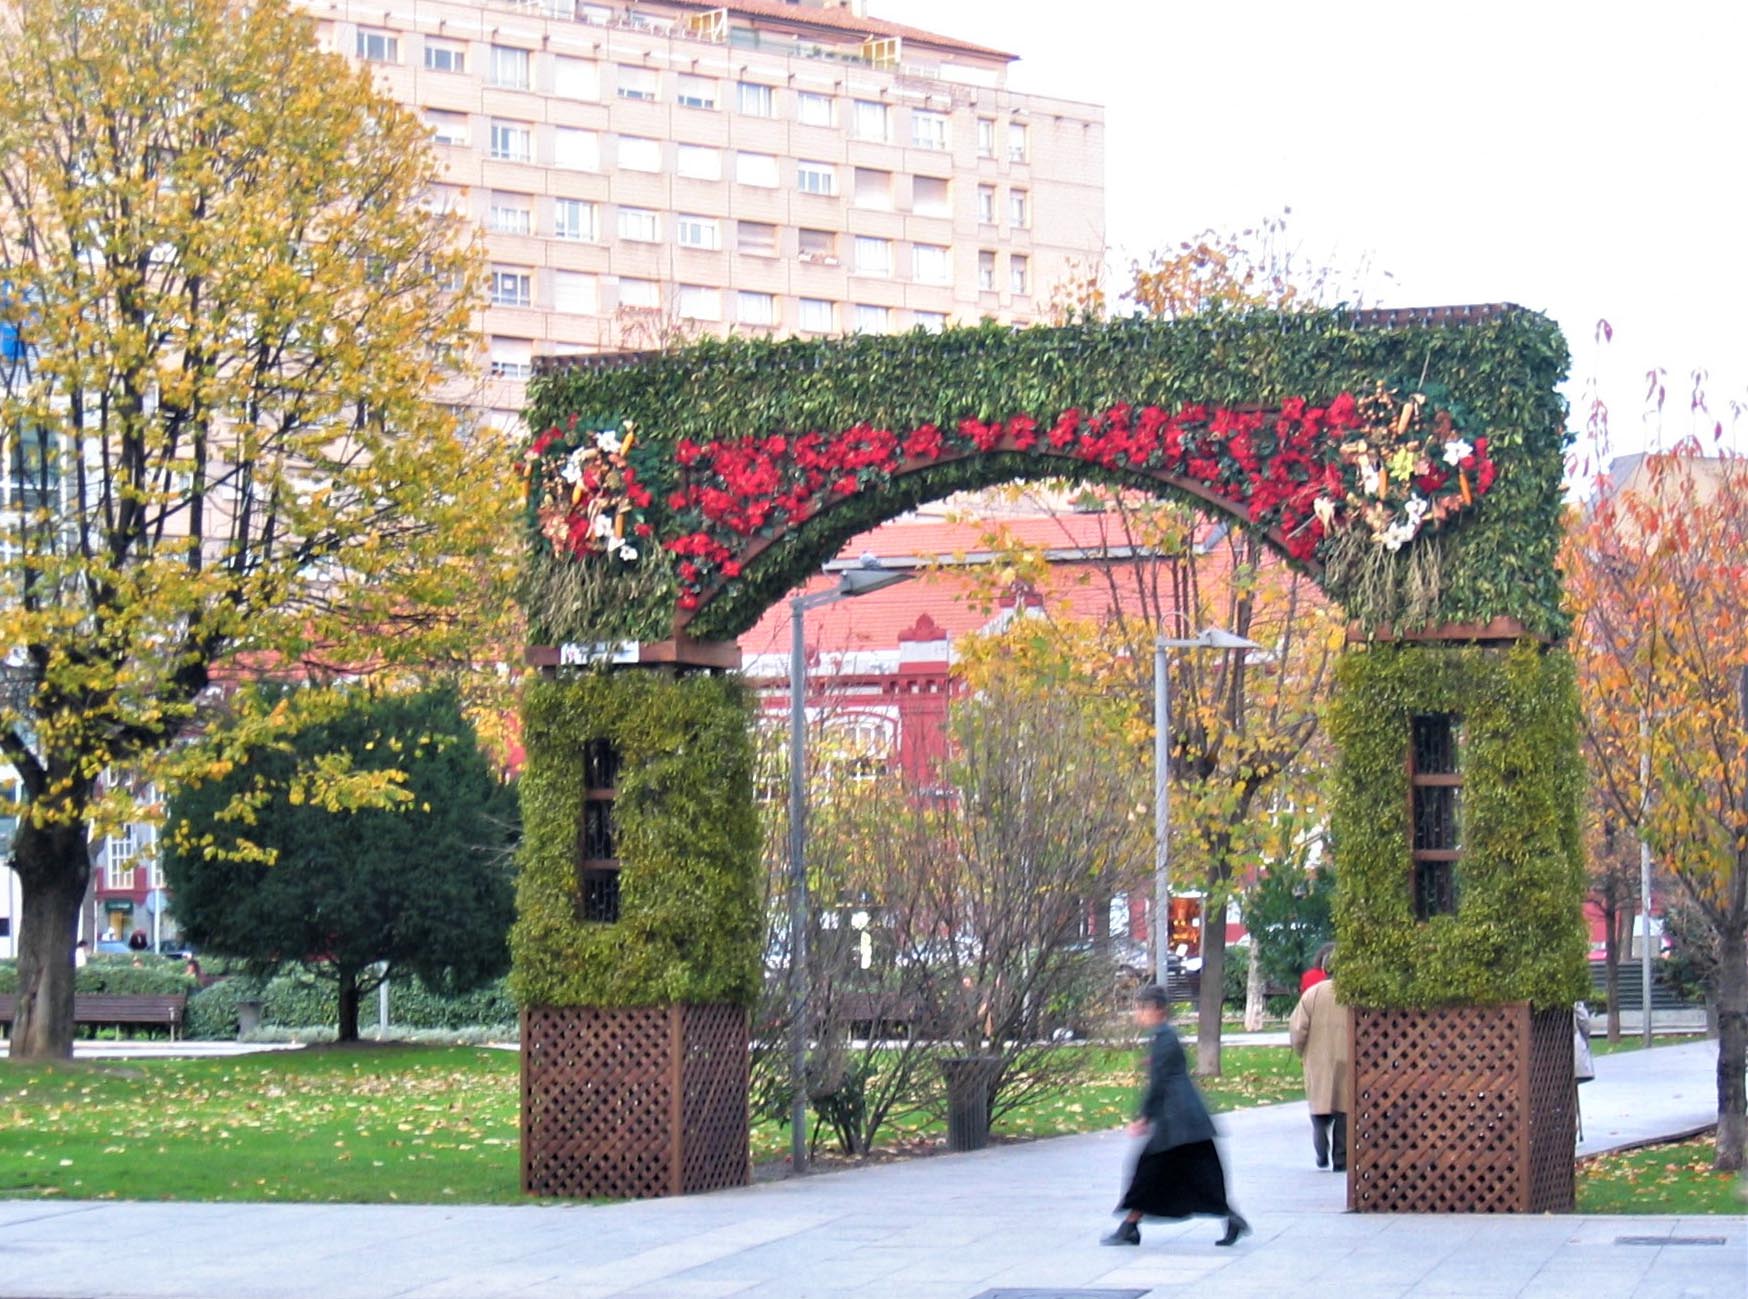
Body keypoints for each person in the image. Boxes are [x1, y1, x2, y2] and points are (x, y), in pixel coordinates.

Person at [1103, 984, 1250, 1248]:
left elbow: (1159, 1082)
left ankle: (1130, 1227)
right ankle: (1131, 1226)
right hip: (1185, 1121)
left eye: (1141, 1008)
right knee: (1188, 1175)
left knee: (1151, 1172)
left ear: (1157, 1010)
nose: (1138, 1014)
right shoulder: (1164, 1037)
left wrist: (1144, 1117)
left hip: (1177, 1122)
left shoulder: (1164, 1038)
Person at [1289, 945, 1351, 1171]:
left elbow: (1298, 1028)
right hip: (1347, 1057)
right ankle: (1341, 1158)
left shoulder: (1312, 994)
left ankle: (1321, 1150)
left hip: (1318, 1058)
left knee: (1319, 1107)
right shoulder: (1351, 993)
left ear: (1324, 968)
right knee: (1344, 1109)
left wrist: (1299, 1049)